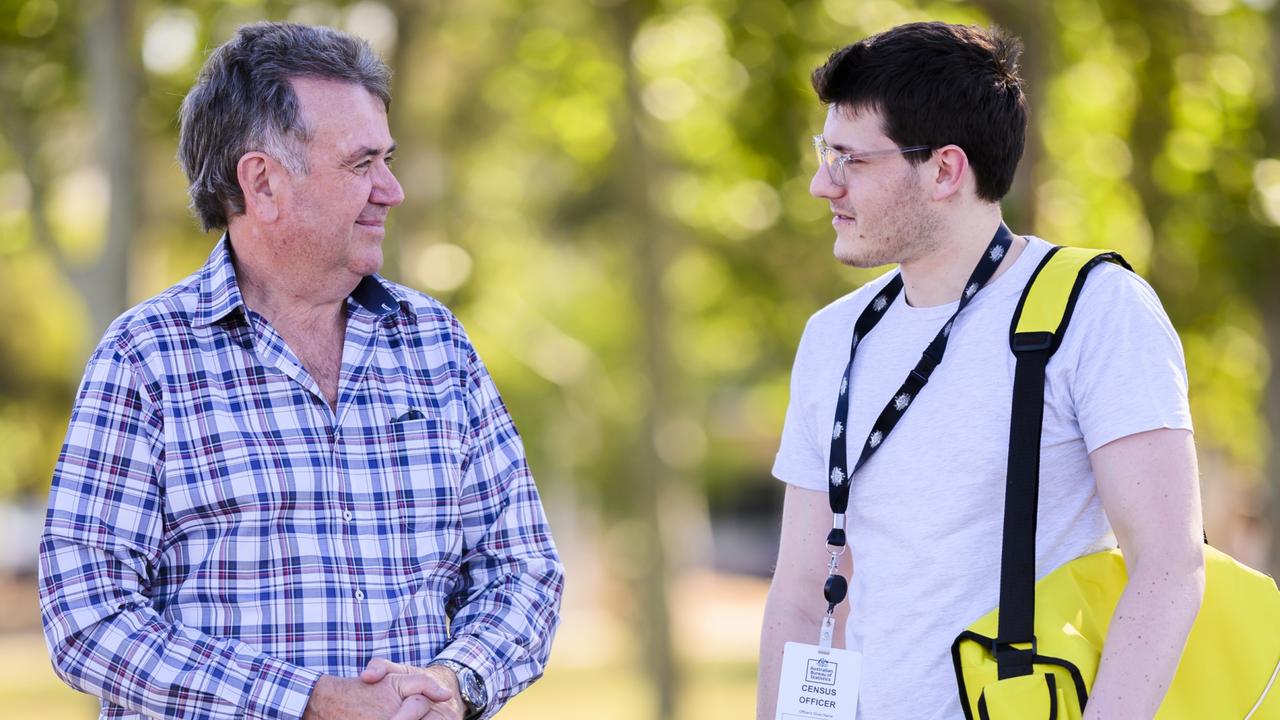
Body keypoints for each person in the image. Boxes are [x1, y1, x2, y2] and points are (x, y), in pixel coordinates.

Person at [38, 22, 563, 720]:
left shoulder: (437, 345)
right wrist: (309, 702)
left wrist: (454, 684)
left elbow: (522, 569)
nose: (392, 190)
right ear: (262, 182)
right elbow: (87, 618)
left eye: (388, 159)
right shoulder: (145, 357)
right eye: (360, 164)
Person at [757, 21, 1204, 720]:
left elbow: (1169, 564)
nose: (821, 185)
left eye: (852, 159)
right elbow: (802, 589)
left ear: (944, 169)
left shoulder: (1096, 308)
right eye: (825, 153)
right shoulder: (832, 338)